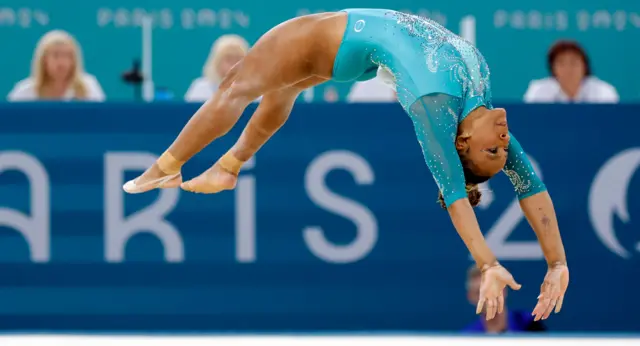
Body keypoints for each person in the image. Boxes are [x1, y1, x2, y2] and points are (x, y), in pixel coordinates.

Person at [123, 9, 569, 320]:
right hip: (348, 50)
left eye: (493, 153)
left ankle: (169, 163)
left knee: (236, 86)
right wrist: (556, 264)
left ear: (464, 141)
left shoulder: (438, 109)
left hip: (333, 41)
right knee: (283, 89)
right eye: (499, 153)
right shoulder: (478, 105)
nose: (506, 145)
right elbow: (530, 186)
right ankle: (230, 164)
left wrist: (488, 265)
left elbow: (455, 195)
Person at [7, 30, 105, 102]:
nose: (62, 62)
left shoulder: (88, 87)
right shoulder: (25, 92)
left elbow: (103, 122)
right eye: (56, 55)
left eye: (67, 56)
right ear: (43, 60)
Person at [524, 40, 618, 104]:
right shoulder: (538, 90)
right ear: (552, 68)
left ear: (585, 66)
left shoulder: (604, 91)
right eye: (561, 63)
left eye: (573, 62)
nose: (568, 68)